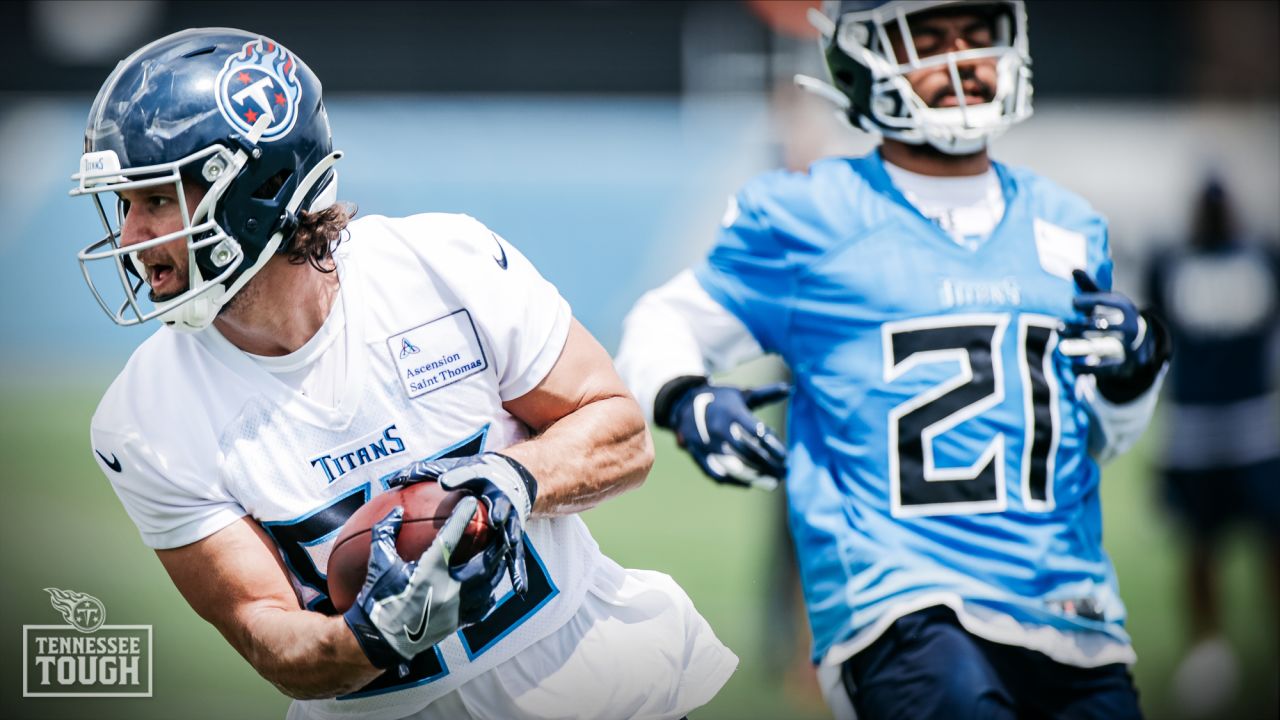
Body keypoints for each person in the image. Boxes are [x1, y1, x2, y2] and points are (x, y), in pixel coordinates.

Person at [73, 28, 736, 720]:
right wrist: (369, 638)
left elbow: (621, 431)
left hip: (596, 682)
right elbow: (264, 632)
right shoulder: (143, 419)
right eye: (124, 206)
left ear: (254, 187)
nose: (129, 237)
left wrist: (515, 480)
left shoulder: (441, 265)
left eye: (154, 201)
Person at [616, 2, 1171, 718]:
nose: (960, 58)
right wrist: (687, 399)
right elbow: (663, 322)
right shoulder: (812, 213)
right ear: (864, 58)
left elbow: (1097, 437)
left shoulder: (1068, 225)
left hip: (1073, 608)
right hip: (906, 609)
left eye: (976, 35)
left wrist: (1132, 376)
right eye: (929, 39)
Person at [1145, 179, 1280, 718]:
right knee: (1199, 545)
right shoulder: (1170, 260)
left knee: (1270, 545)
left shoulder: (1263, 256)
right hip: (1194, 432)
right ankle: (1208, 651)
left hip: (1255, 428)